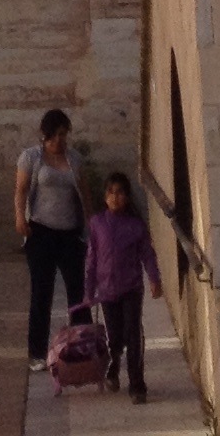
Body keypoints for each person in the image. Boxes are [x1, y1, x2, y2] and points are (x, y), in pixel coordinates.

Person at [14, 106, 88, 372]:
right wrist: (20, 218)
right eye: (54, 135)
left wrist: (91, 225)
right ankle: (36, 353)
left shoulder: (74, 159)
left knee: (78, 291)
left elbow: (84, 193)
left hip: (70, 233)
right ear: (44, 135)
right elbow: (21, 190)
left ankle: (83, 346)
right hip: (41, 231)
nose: (58, 140)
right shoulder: (31, 158)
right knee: (41, 293)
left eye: (63, 134)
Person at [85, 171, 163, 401]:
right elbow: (92, 259)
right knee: (114, 337)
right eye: (110, 192)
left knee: (133, 335)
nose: (115, 197)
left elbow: (147, 254)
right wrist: (89, 290)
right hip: (107, 291)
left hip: (131, 288)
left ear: (127, 197)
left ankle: (137, 385)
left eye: (120, 193)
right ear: (105, 196)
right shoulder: (97, 224)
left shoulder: (135, 226)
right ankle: (113, 367)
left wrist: (154, 278)